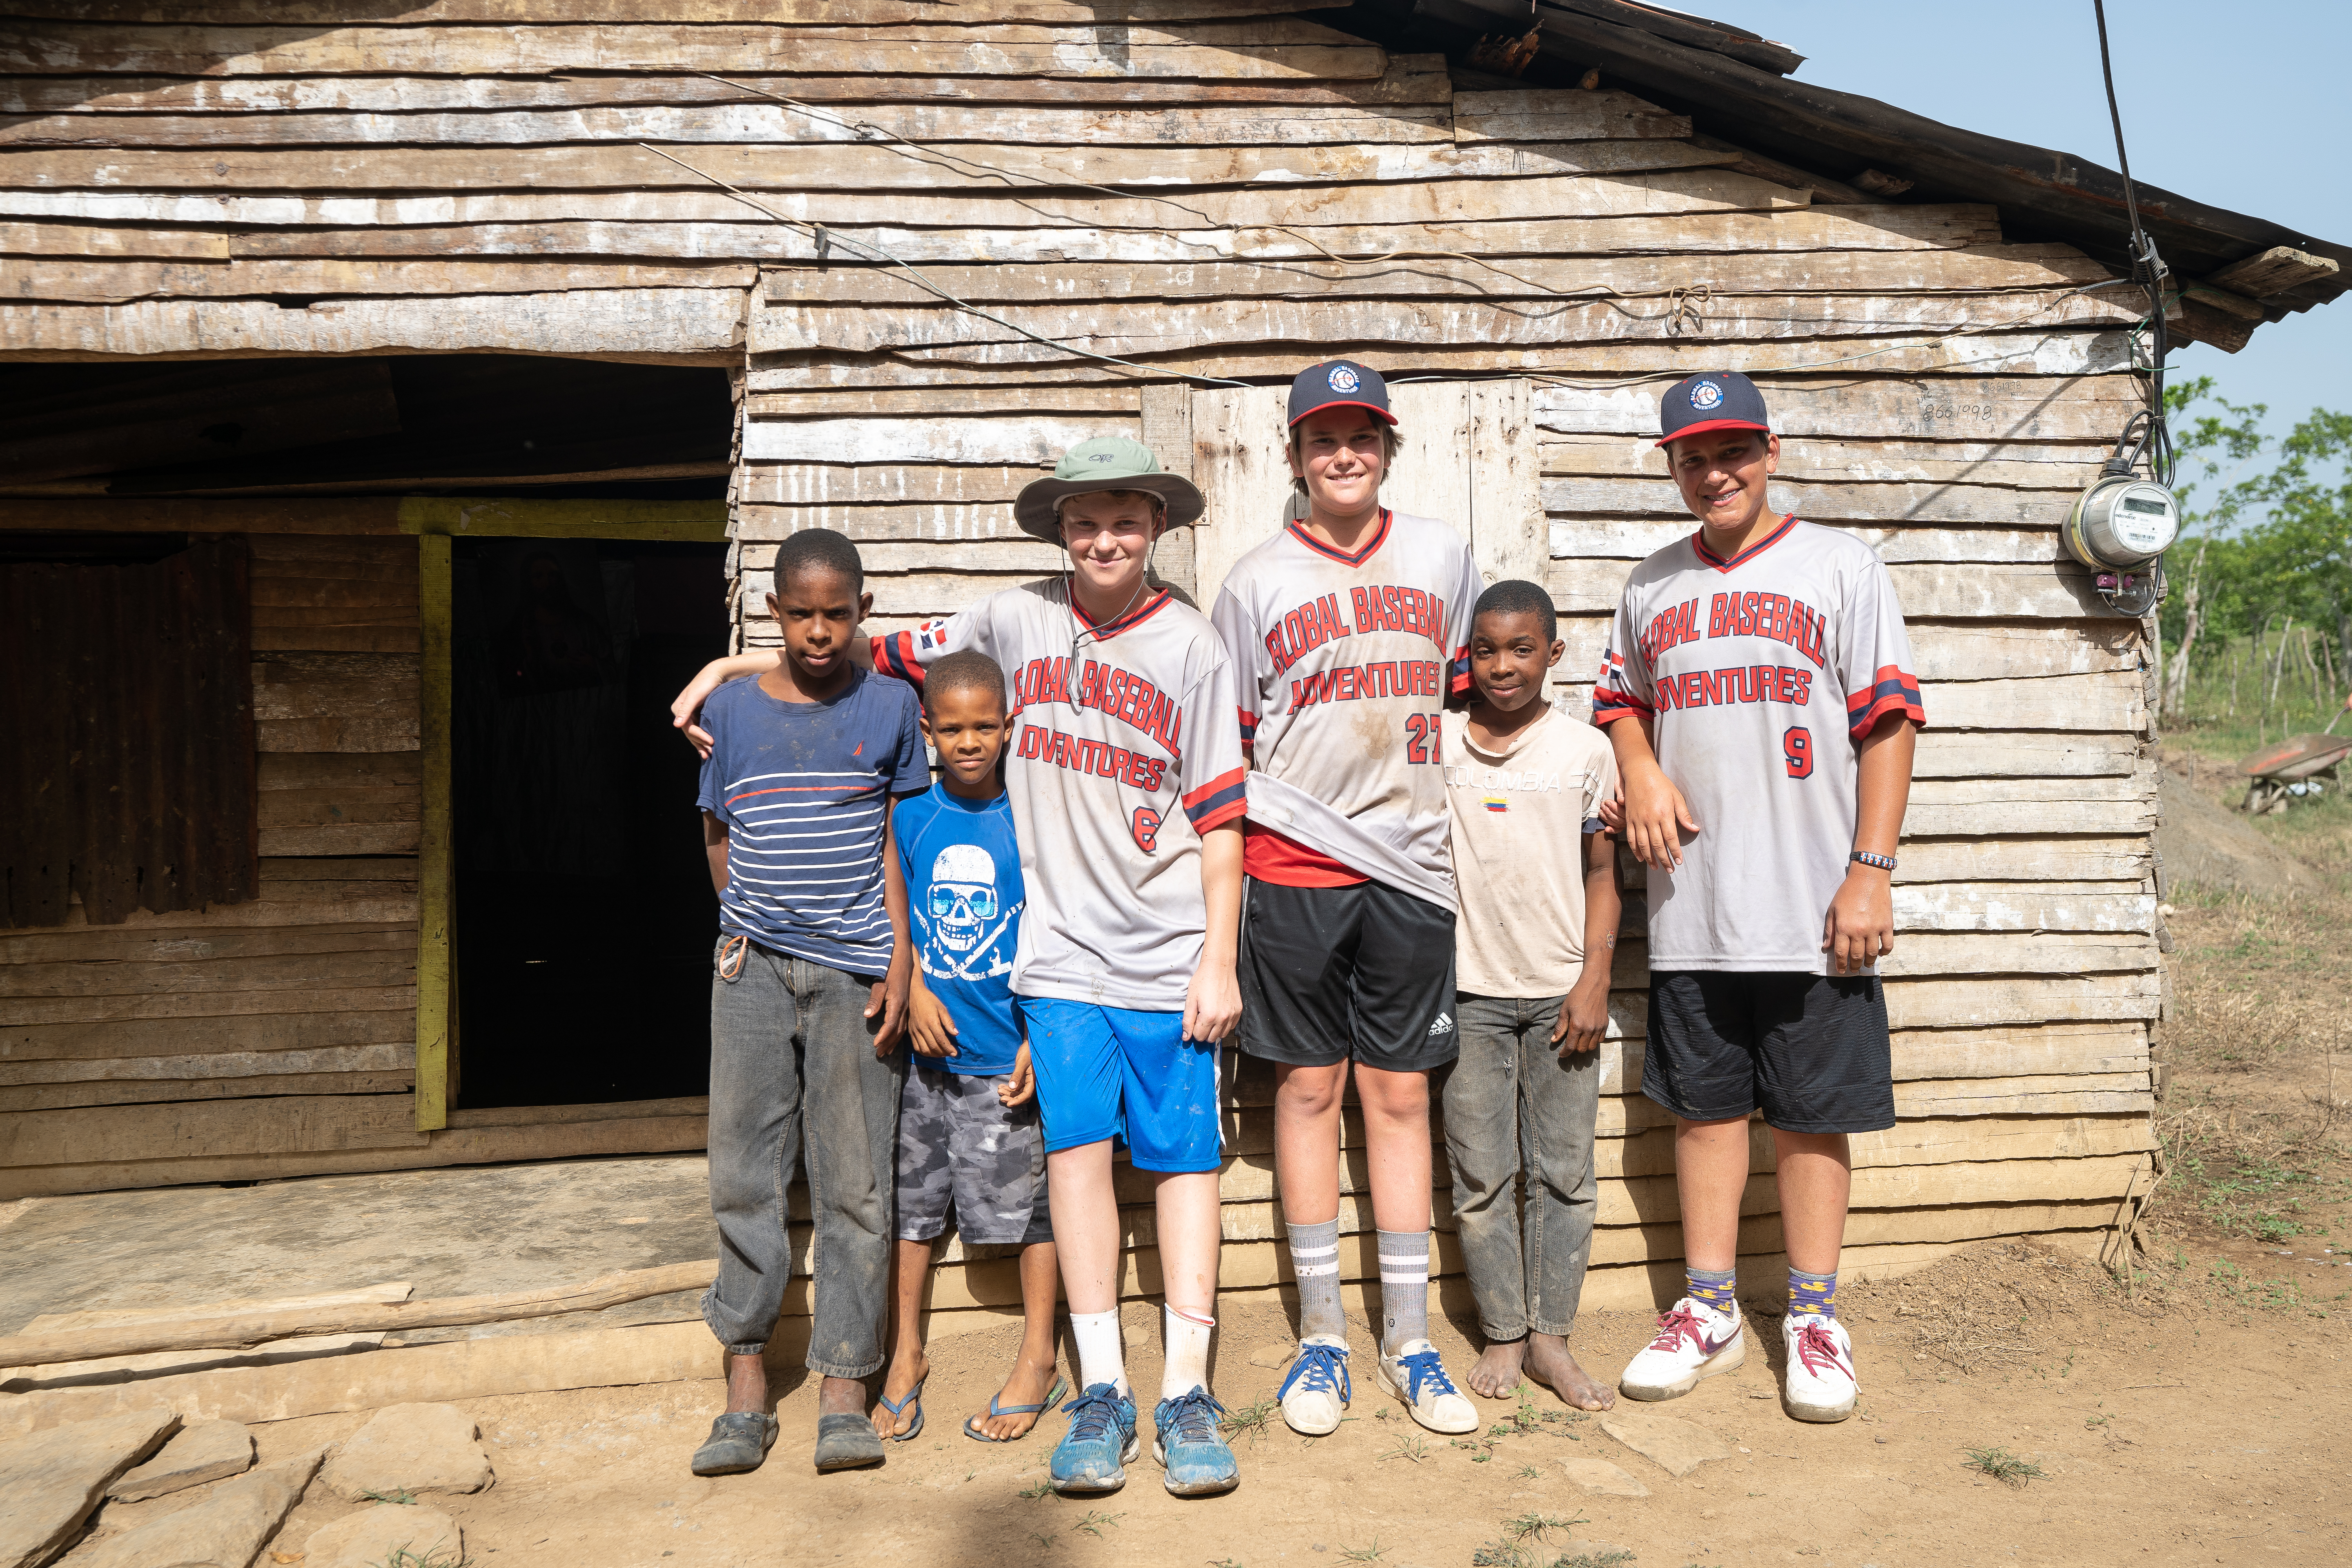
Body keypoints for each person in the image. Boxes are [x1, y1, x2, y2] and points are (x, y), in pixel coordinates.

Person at [674, 438, 1248, 1497]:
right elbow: (864, 651)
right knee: (1074, 1162)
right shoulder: (1010, 619)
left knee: (1184, 1166)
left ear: (1157, 527)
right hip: (1060, 958)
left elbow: (1220, 817)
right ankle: (1104, 1391)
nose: (1105, 540)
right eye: (1085, 523)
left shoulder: (1195, 649)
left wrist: (1220, 957)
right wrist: (730, 668)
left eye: (1125, 521)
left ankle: (1188, 1390)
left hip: (1166, 951)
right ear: (1059, 532)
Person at [1592, 372, 1922, 1425]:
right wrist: (1639, 767)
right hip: (1695, 906)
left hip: (1818, 901)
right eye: (1693, 456)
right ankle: (1711, 1308)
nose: (1714, 471)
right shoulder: (1650, 585)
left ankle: (1816, 1317)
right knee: (1705, 1113)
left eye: (1732, 451)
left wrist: (1870, 871)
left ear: (1770, 452)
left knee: (1815, 1119)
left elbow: (1890, 721)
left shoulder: (1839, 566)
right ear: (1671, 467)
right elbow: (1619, 702)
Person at [1206, 361, 1484, 1438]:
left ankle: (1409, 1339)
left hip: (1413, 868)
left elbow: (1466, 701)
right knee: (1311, 1093)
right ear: (1294, 455)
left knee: (1402, 1097)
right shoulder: (1254, 581)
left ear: (1388, 444)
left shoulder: (1442, 557)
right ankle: (1323, 1336)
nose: (1343, 454)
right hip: (1295, 867)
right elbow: (1228, 740)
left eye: (1361, 435)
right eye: (1323, 439)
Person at [688, 528, 927, 1478]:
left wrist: (899, 963)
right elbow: (718, 830)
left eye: (837, 612)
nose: (819, 630)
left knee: (856, 1180)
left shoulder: (893, 704)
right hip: (749, 970)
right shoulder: (736, 711)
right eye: (801, 612)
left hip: (858, 973)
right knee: (743, 1169)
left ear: (863, 611)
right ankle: (745, 1379)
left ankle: (842, 1385)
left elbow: (894, 843)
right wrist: (744, 922)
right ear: (774, 615)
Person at [1437, 579, 1622, 1412]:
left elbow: (1603, 875)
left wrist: (1594, 979)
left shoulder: (1585, 751)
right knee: (1481, 1174)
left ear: (1554, 653)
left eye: (1521, 649)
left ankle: (1553, 1335)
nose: (1502, 665)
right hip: (1469, 993)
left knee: (1565, 1173)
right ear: (1465, 656)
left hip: (1560, 994)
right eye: (1485, 649)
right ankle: (1504, 1329)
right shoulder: (1439, 746)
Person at [876, 649, 1066, 1445]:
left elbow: (1059, 923)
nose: (969, 741)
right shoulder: (912, 813)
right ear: (926, 730)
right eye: (951, 727)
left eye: (985, 726)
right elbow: (895, 901)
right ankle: (906, 1352)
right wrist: (910, 979)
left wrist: (1037, 1033)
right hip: (924, 1061)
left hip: (1003, 1055)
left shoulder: (1031, 818)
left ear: (1010, 725)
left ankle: (1039, 1351)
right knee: (911, 1210)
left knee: (1032, 1214)